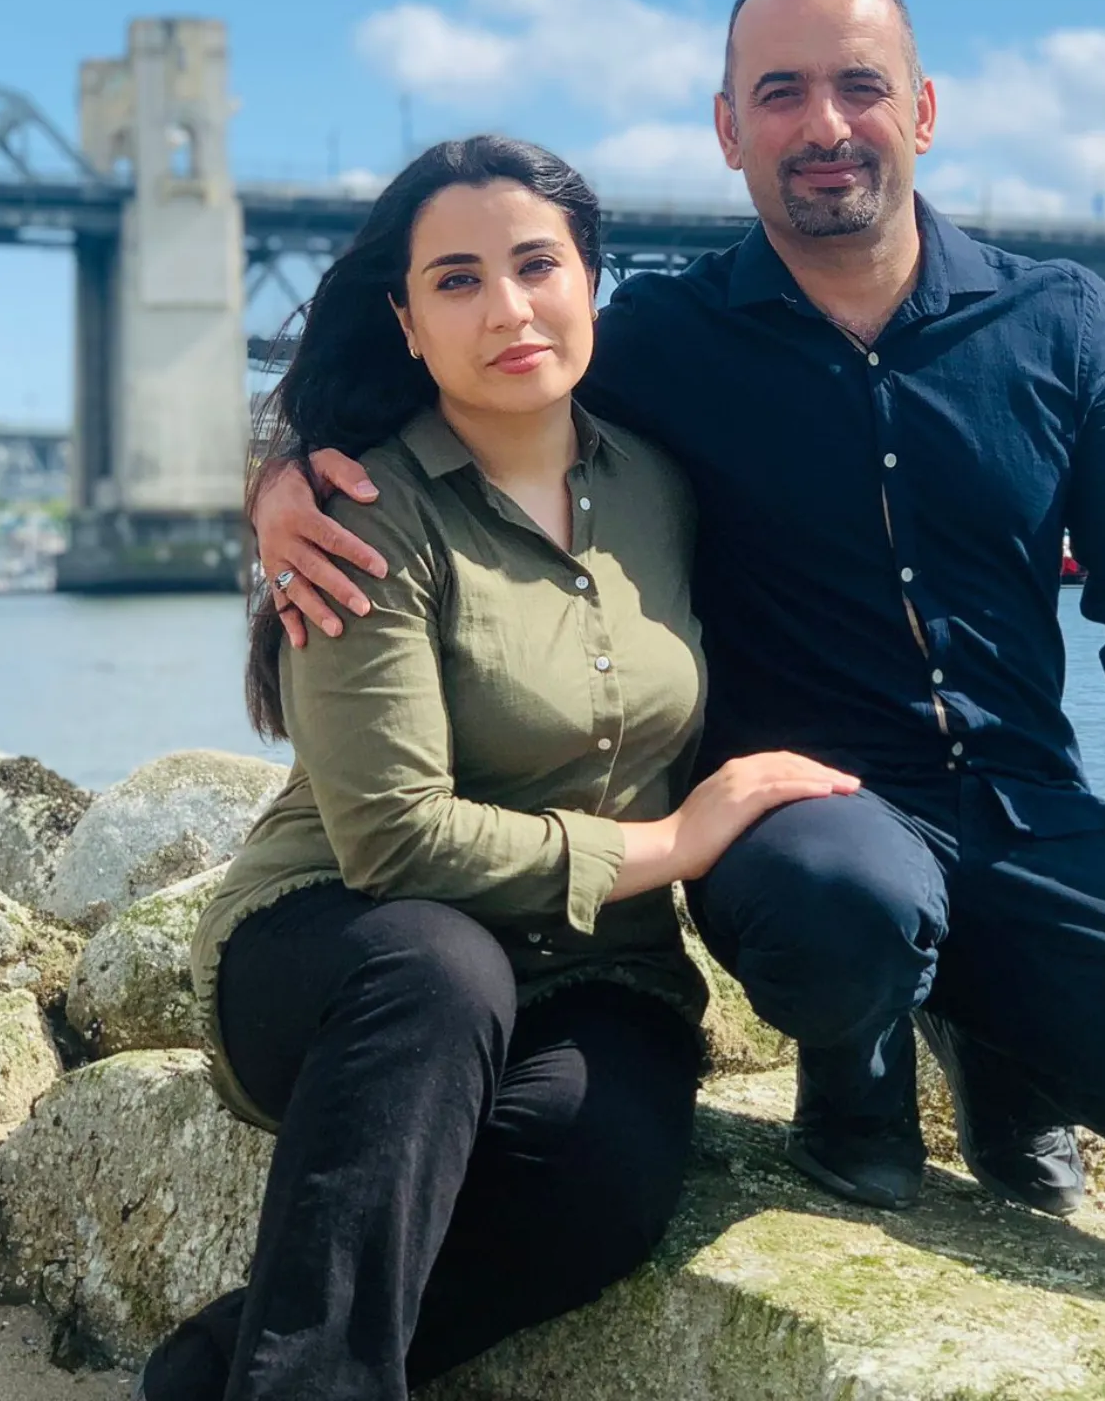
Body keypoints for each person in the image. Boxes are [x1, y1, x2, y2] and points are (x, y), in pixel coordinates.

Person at [256, 0, 1105, 1220]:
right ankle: (855, 1065)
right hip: (806, 827)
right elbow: (457, 379)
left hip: (1027, 816)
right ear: (729, 130)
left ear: (921, 113)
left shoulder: (1066, 323)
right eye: (780, 93)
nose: (824, 126)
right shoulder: (656, 338)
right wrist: (278, 482)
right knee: (848, 910)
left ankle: (1003, 1038)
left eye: (859, 86)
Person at [147, 135, 858, 1401]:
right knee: (439, 967)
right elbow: (395, 844)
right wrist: (674, 847)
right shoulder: (360, 509)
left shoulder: (664, 488)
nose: (510, 308)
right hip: (345, 953)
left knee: (602, 1180)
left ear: (593, 283)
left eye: (538, 266)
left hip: (595, 973)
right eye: (459, 281)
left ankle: (214, 1371)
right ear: (408, 324)